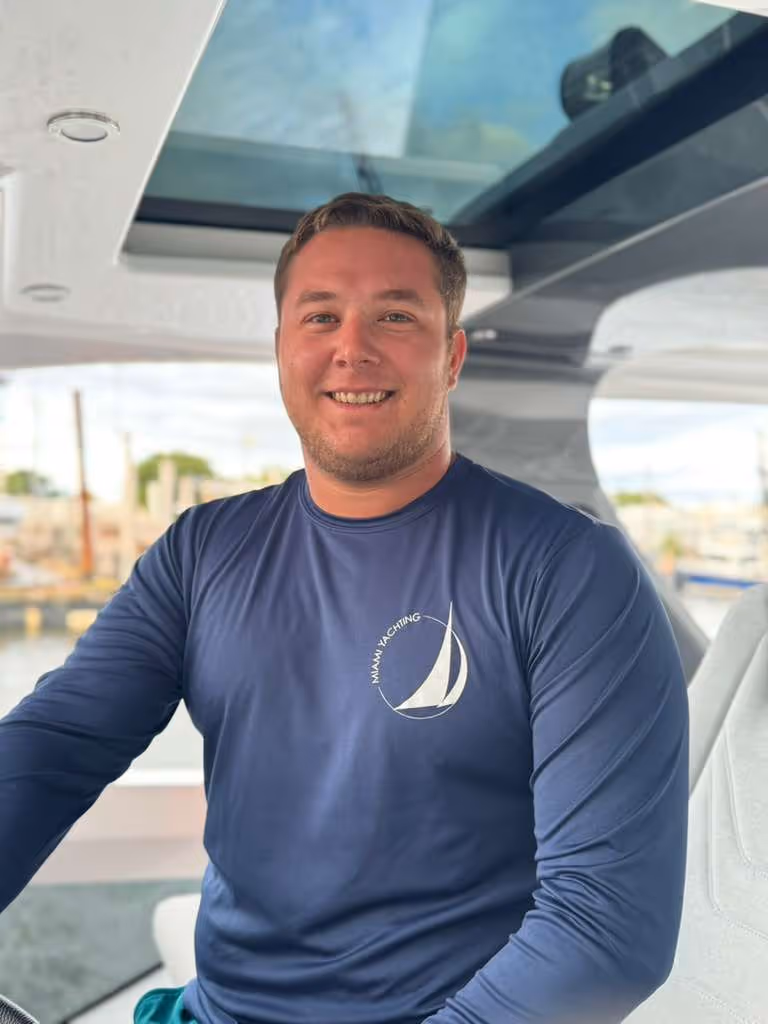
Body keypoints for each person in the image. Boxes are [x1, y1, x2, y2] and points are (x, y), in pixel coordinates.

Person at [0, 193, 689, 1024]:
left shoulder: (567, 570)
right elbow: (54, 745)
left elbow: (605, 925)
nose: (351, 349)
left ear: (452, 356)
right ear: (283, 348)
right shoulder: (202, 552)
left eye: (395, 316)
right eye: (320, 316)